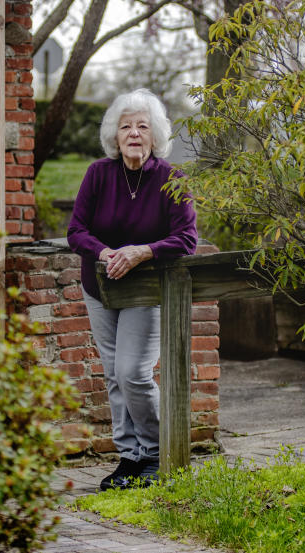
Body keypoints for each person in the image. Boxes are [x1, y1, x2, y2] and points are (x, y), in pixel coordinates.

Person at [67, 88, 198, 490]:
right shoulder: (98, 174)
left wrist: (144, 252)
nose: (134, 133)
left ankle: (158, 453)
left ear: (155, 135)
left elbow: (187, 238)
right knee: (112, 374)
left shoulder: (171, 178)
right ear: (115, 136)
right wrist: (105, 253)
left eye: (143, 126)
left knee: (133, 372)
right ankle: (130, 458)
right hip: (101, 287)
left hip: (146, 289)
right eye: (126, 126)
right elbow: (76, 232)